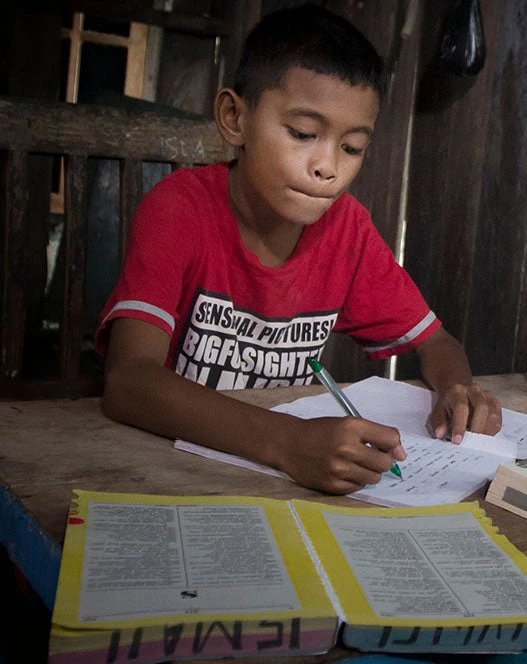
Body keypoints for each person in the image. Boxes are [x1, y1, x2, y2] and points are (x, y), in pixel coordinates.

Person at [97, 5, 500, 495]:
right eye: (304, 134)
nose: (327, 166)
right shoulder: (180, 210)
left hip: (272, 484)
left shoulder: (345, 231)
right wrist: (289, 443)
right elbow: (128, 383)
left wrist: (455, 387)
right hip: (159, 470)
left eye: (351, 148)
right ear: (234, 118)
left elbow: (437, 343)